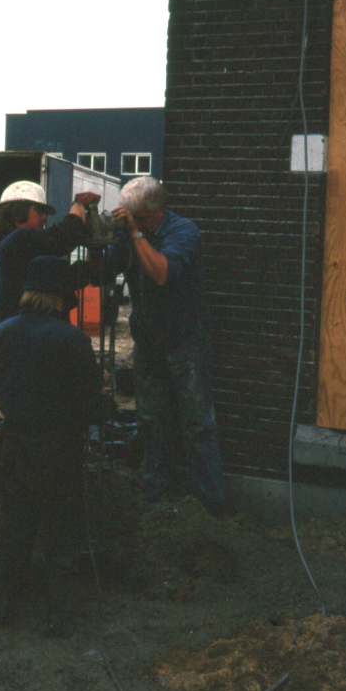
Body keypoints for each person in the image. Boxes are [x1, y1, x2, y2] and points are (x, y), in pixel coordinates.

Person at [0, 256, 106, 636]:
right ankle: (59, 621)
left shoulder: (3, 332)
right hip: (59, 449)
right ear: (61, 297)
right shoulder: (71, 340)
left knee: (11, 537)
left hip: (16, 444)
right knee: (60, 539)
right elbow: (90, 404)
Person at [111, 176, 224, 514]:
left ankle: (210, 507)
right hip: (148, 344)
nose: (135, 224)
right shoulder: (132, 231)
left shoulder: (184, 232)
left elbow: (161, 273)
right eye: (131, 218)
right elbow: (103, 271)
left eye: (141, 219)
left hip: (185, 343)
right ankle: (154, 499)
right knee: (151, 421)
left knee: (197, 425)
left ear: (158, 212)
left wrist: (134, 234)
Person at [0, 180, 98, 322]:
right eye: (39, 211)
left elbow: (64, 278)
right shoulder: (19, 239)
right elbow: (62, 238)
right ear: (17, 213)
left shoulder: (20, 248)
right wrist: (78, 205)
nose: (44, 217)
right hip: (26, 332)